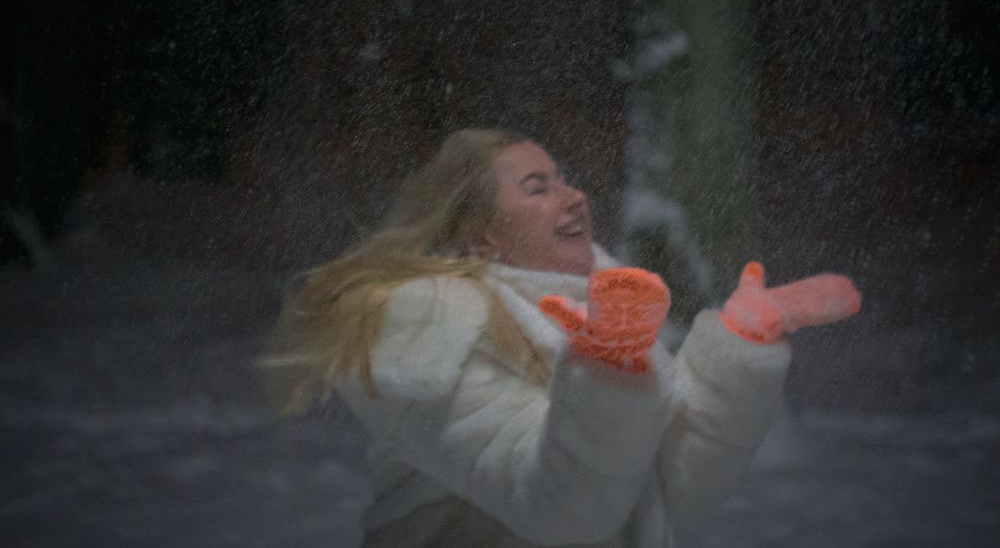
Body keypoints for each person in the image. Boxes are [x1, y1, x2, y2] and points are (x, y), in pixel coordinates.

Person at [263, 128, 861, 547]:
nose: (574, 195)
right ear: (480, 237)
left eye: (564, 178)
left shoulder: (597, 309)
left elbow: (671, 496)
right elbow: (563, 511)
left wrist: (735, 350)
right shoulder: (425, 334)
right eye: (537, 186)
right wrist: (607, 374)